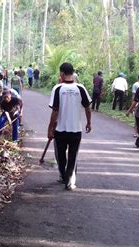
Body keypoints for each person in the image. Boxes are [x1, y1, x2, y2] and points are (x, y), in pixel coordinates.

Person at [48, 62, 91, 190]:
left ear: (61, 73)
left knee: (61, 157)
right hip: (76, 130)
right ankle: (70, 180)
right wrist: (89, 122)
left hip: (60, 130)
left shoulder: (58, 89)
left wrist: (50, 128)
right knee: (73, 156)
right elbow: (88, 108)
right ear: (73, 73)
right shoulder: (81, 88)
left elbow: (55, 111)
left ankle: (64, 176)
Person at [131, 73, 139, 137]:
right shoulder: (135, 85)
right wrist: (133, 104)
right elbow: (134, 95)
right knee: (136, 118)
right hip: (137, 103)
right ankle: (136, 132)